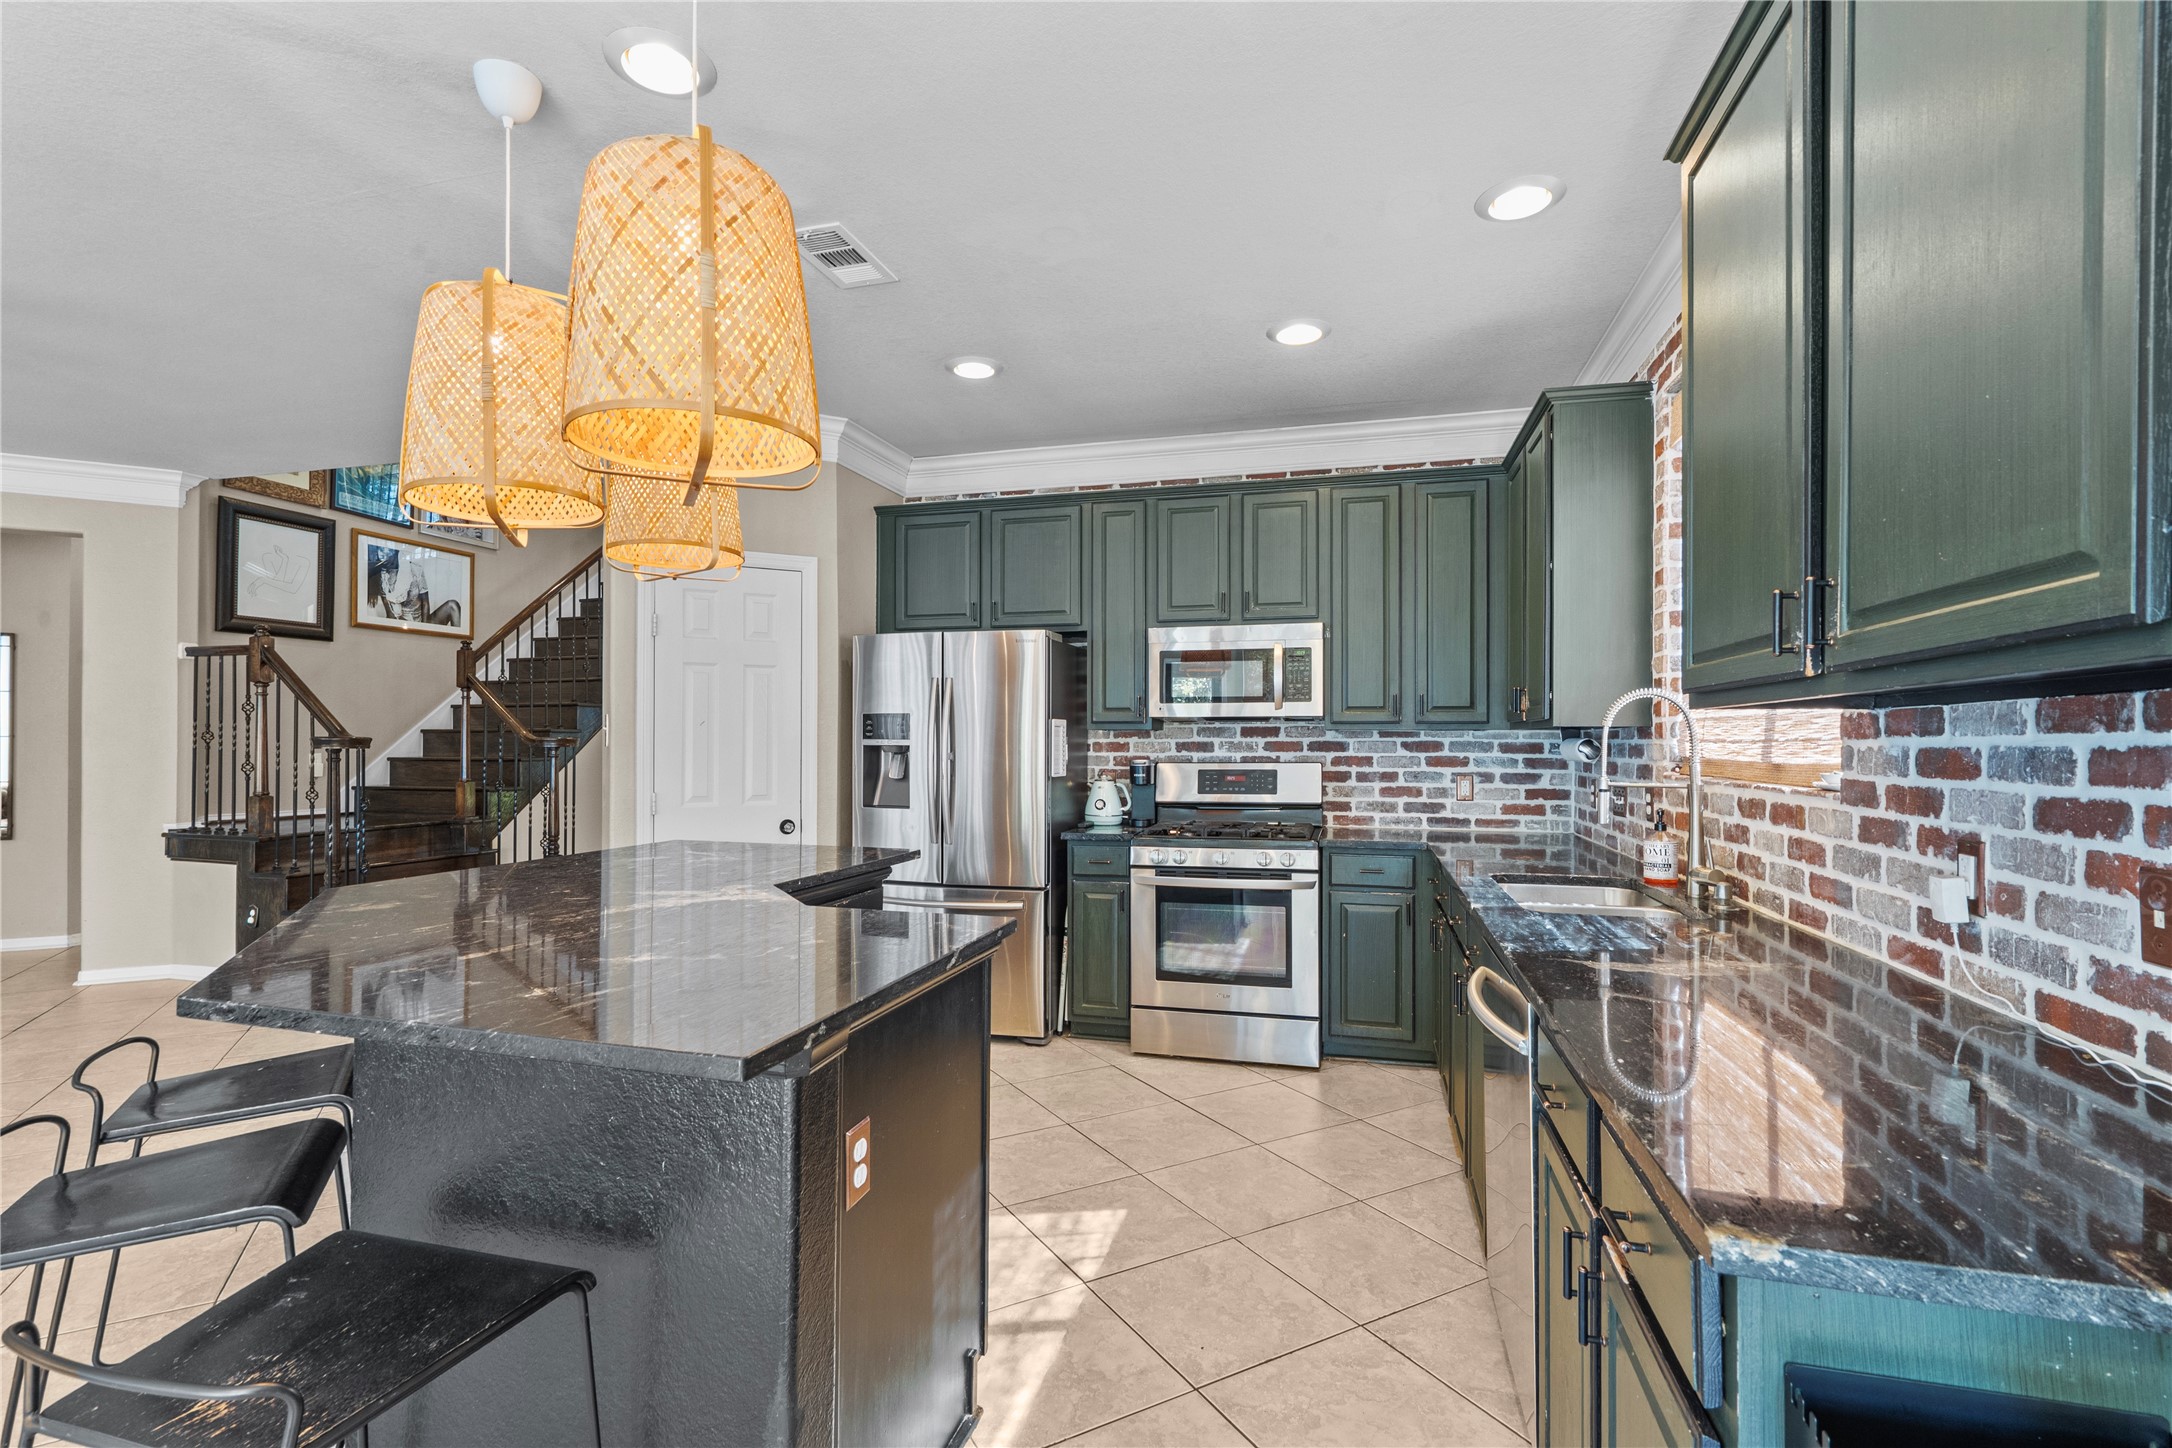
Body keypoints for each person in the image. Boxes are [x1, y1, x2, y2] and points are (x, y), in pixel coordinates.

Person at [368, 546, 461, 628]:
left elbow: (425, 603)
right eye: (379, 550)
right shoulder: (382, 577)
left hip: (422, 623)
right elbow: (389, 614)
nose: (382, 555)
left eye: (384, 549)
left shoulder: (415, 569)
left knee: (453, 605)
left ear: (395, 551)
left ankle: (463, 645)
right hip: (402, 626)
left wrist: (423, 629)